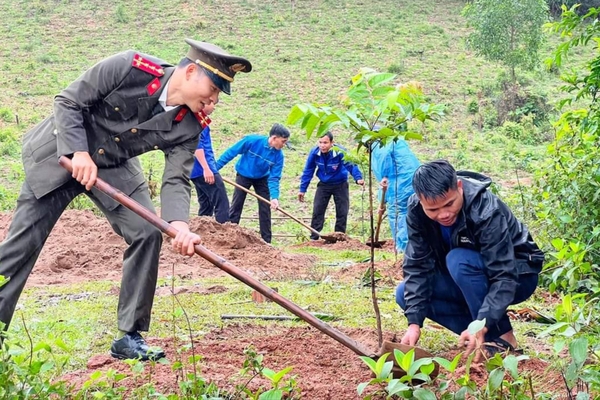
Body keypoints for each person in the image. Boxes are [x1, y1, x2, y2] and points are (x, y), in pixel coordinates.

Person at [0, 39, 251, 361]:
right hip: (61, 154)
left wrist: (179, 225)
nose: (214, 100)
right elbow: (68, 102)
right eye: (214, 88)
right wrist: (78, 153)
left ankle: (129, 337)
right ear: (191, 72)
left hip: (114, 167)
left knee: (147, 233)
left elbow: (176, 178)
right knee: (21, 247)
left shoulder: (190, 125)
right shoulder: (130, 67)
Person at [396, 160, 544, 361]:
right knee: (404, 294)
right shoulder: (416, 212)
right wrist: (414, 324)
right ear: (421, 201)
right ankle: (481, 336)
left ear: (459, 187)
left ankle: (503, 338)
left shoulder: (486, 209)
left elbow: (504, 274)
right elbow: (418, 266)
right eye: (433, 210)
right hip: (466, 276)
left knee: (459, 260)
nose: (444, 214)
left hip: (517, 274)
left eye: (449, 204)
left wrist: (482, 321)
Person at [216, 124, 289, 243]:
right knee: (237, 204)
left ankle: (266, 241)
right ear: (274, 138)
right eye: (283, 141)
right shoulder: (252, 141)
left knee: (265, 207)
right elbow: (231, 152)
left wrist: (274, 197)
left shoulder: (278, 156)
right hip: (244, 175)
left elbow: (274, 178)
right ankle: (230, 235)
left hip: (262, 178)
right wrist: (215, 168)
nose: (284, 145)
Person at [298, 132, 364, 240]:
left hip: (340, 184)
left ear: (332, 143)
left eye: (325, 142)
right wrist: (302, 189)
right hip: (324, 184)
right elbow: (308, 170)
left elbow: (350, 164)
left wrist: (358, 178)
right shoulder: (314, 153)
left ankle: (339, 237)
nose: (322, 145)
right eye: (320, 142)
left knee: (342, 211)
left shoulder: (340, 152)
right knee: (318, 210)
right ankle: (314, 237)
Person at [370, 138, 420, 252]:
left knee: (398, 213)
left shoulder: (379, 145)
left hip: (400, 183)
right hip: (415, 179)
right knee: (414, 210)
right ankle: (416, 245)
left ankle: (404, 248)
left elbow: (385, 176)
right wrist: (382, 202)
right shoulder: (396, 141)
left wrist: (385, 176)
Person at [190, 102, 229, 223]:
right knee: (221, 202)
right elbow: (197, 145)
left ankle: (201, 232)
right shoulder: (197, 121)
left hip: (194, 170)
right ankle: (224, 234)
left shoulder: (197, 119)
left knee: (206, 203)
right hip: (203, 168)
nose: (214, 107)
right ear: (204, 103)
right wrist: (206, 168)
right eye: (212, 103)